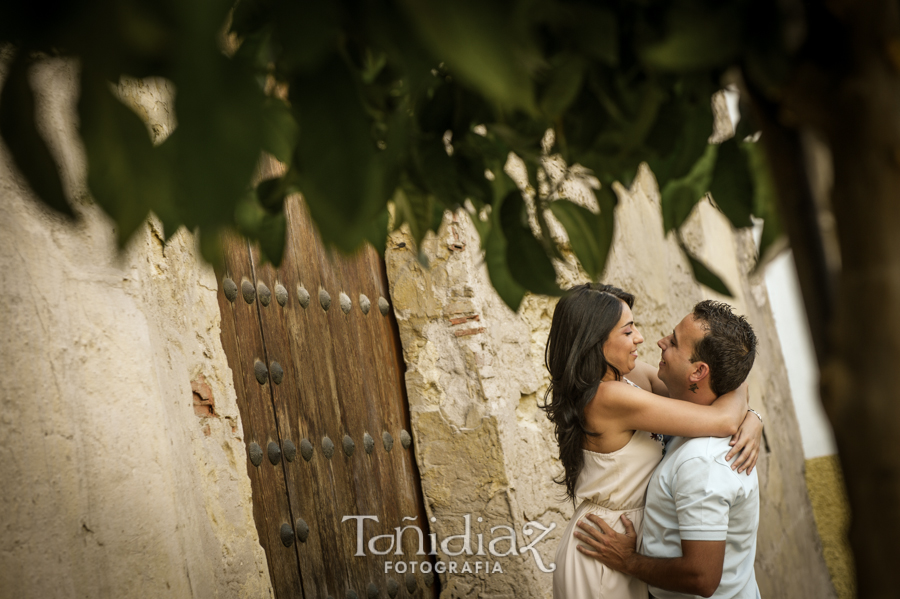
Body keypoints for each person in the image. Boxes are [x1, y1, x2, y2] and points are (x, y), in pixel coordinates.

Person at [542, 284, 762, 599]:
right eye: (628, 331)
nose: (642, 338)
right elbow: (723, 418)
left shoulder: (629, 379)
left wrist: (752, 412)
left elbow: (712, 384)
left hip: (631, 544)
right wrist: (750, 412)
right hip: (605, 546)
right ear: (595, 341)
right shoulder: (608, 396)